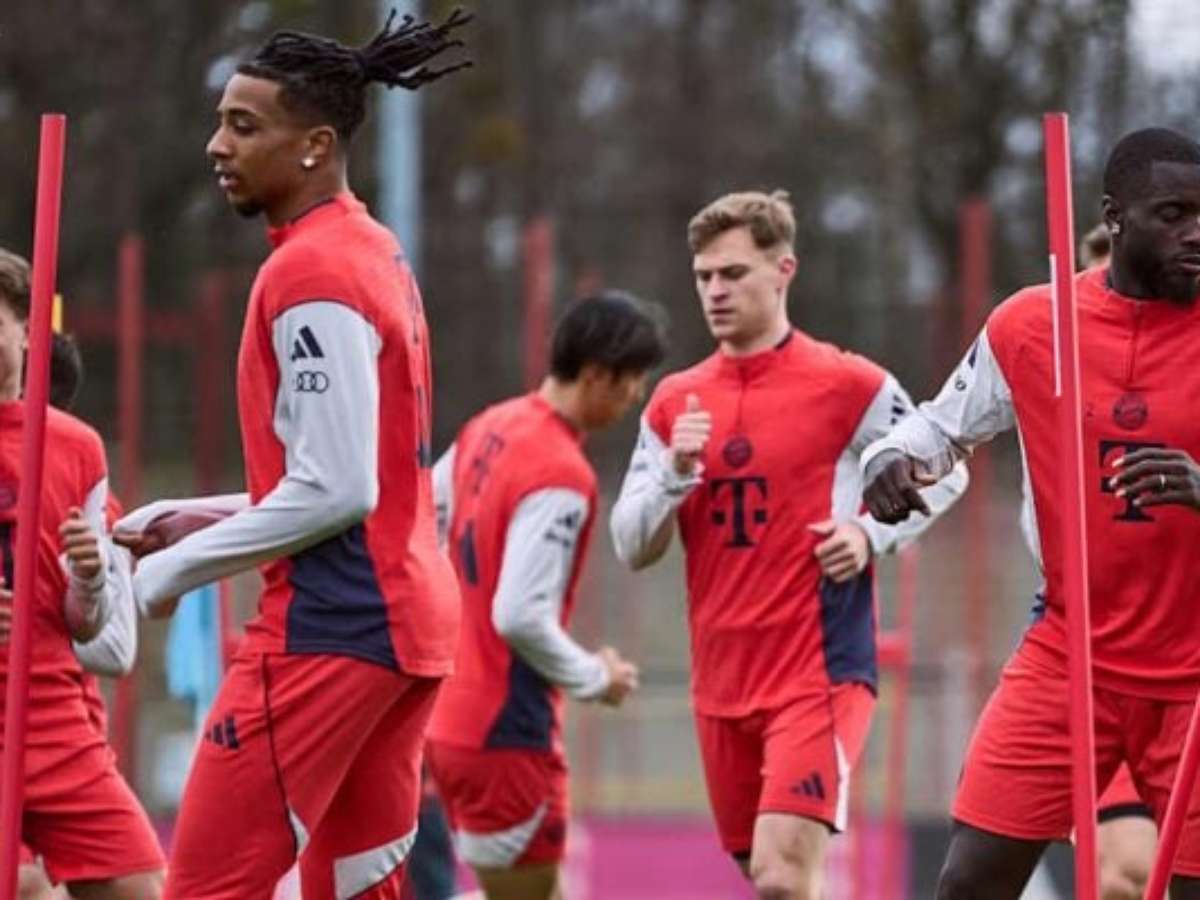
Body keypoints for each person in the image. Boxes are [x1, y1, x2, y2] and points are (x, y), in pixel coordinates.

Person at [111, 12, 471, 899]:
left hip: (330, 629)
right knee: (354, 890)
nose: (217, 146)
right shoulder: (370, 247)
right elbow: (357, 476)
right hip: (402, 625)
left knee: (205, 888)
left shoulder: (313, 270)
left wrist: (173, 574)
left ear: (315, 146)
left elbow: (338, 489)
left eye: (244, 126)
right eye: (220, 122)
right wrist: (203, 517)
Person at [861, 127, 1200, 898]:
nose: (1196, 232)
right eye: (1174, 214)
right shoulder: (1032, 325)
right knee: (967, 882)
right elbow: (940, 428)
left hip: (1193, 672)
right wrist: (890, 459)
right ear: (1114, 218)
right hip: (1069, 657)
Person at [609, 191, 967, 899]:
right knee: (768, 875)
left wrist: (869, 532)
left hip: (819, 670)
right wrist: (675, 474)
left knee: (780, 874)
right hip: (721, 681)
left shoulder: (848, 383)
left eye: (733, 273)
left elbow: (948, 467)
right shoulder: (674, 401)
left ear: (784, 270)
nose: (716, 290)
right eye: (704, 276)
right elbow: (631, 545)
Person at [427, 293, 665, 900]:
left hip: (448, 715)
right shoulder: (559, 470)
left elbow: (426, 516)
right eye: (633, 379)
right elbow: (518, 614)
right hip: (505, 732)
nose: (637, 396)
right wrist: (595, 677)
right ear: (597, 374)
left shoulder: (489, 425)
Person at [0, 248, 163, 899]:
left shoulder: (76, 449)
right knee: (22, 885)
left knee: (138, 886)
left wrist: (93, 578)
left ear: (28, 330)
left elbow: (103, 639)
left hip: (56, 716)